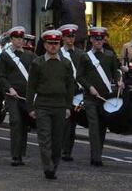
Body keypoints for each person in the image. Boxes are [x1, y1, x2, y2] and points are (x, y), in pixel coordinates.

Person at [27, 30, 74, 180]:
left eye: (56, 43)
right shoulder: (37, 63)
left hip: (60, 106)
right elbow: (31, 87)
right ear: (45, 45)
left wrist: (68, 107)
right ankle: (48, 167)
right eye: (50, 44)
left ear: (60, 44)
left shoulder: (66, 63)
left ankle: (54, 165)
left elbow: (70, 86)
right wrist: (30, 108)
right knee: (45, 138)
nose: (53, 47)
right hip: (43, 105)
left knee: (58, 140)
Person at [77, 26, 122, 166]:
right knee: (94, 125)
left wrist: (120, 80)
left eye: (101, 39)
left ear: (104, 39)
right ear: (91, 40)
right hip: (90, 98)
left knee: (102, 126)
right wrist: (89, 87)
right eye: (95, 39)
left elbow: (116, 71)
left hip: (105, 98)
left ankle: (98, 153)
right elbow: (79, 76)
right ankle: (95, 157)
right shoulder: (85, 56)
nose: (98, 41)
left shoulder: (109, 55)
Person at [0, 26, 35, 166]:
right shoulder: (5, 55)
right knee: (15, 122)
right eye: (17, 38)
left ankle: (21, 153)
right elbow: (1, 76)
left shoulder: (30, 55)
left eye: (21, 38)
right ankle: (15, 155)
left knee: (24, 124)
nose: (20, 41)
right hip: (12, 95)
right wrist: (9, 88)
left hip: (26, 95)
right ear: (12, 39)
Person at [58, 24, 83, 161]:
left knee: (72, 123)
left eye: (72, 36)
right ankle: (61, 149)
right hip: (63, 93)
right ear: (63, 38)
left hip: (78, 93)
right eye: (68, 36)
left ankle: (68, 151)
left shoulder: (80, 53)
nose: (70, 39)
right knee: (64, 122)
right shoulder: (59, 53)